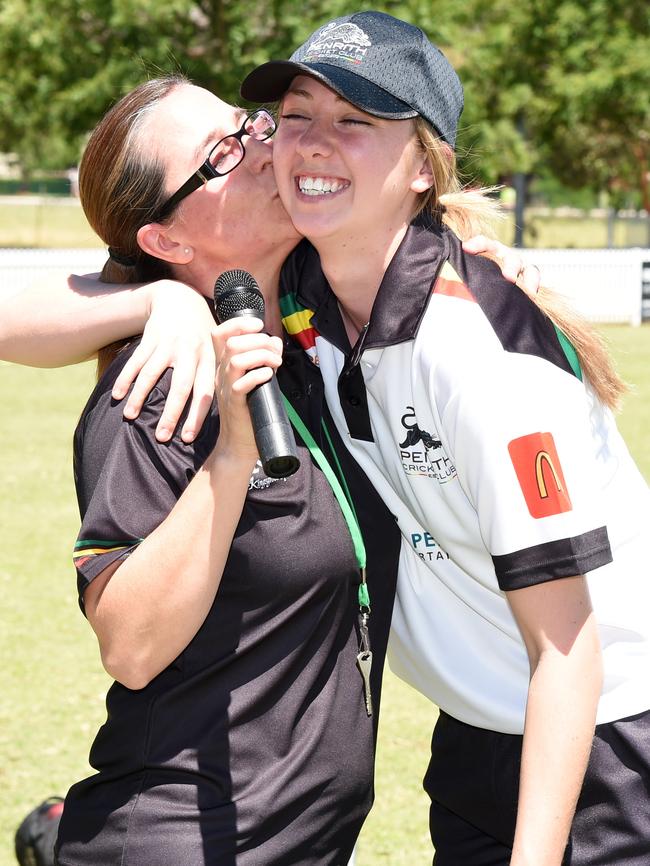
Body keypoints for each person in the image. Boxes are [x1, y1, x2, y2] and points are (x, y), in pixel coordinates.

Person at [238, 10, 650, 866]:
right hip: (478, 735)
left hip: (607, 738)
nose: (313, 144)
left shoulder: (482, 359)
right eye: (299, 116)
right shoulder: (305, 283)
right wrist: (156, 304)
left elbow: (567, 652)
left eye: (356, 123)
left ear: (422, 166)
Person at [44, 75, 402, 866]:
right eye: (223, 153)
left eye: (251, 124)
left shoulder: (310, 336)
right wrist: (234, 455)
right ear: (167, 242)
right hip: (181, 841)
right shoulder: (153, 393)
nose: (265, 145)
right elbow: (130, 646)